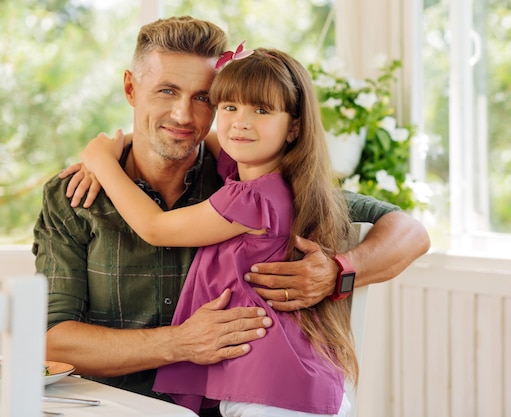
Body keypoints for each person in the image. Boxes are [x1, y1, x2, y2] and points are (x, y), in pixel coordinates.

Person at [32, 16, 429, 416]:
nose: (184, 115)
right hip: (112, 408)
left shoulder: (247, 176)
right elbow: (50, 340)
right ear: (131, 89)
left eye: (203, 97)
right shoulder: (75, 197)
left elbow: (408, 231)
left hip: (243, 401)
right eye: (166, 91)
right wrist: (179, 343)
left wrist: (337, 271)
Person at [80, 43, 356, 417]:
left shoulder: (250, 199)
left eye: (261, 110)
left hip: (270, 387)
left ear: (294, 127)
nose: (241, 121)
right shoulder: (274, 180)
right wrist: (130, 142)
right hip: (277, 378)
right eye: (228, 107)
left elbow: (156, 228)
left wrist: (100, 160)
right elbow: (200, 137)